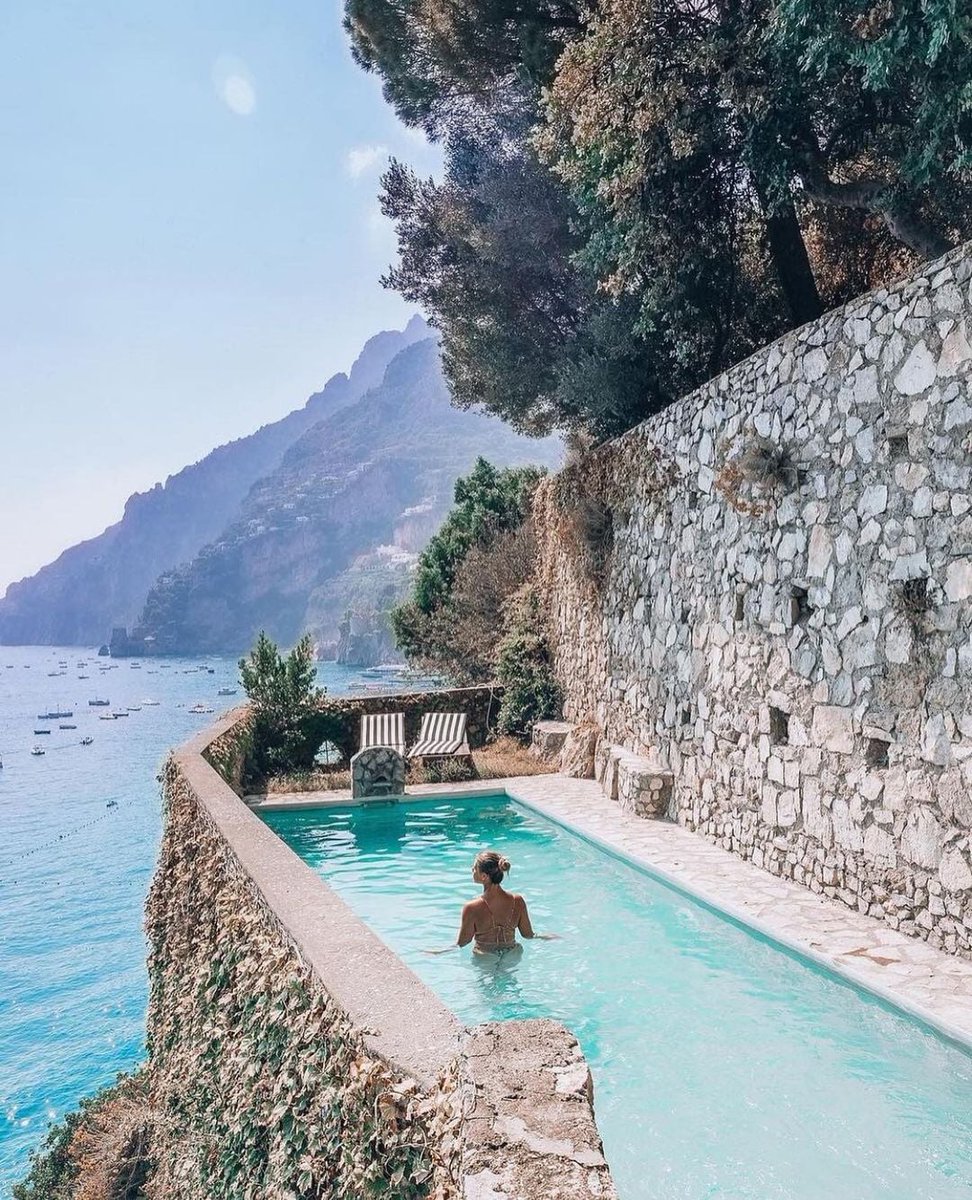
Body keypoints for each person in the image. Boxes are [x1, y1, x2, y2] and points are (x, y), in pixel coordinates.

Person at [426, 850, 557, 957]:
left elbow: (462, 943)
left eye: (475, 868)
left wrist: (439, 952)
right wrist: (546, 937)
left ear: (484, 876)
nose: (472, 869)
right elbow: (528, 935)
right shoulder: (518, 901)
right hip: (513, 954)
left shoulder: (472, 907)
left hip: (484, 956)